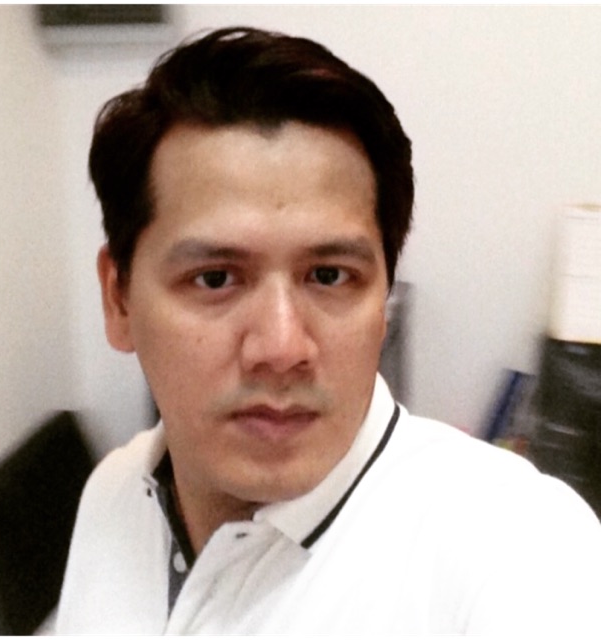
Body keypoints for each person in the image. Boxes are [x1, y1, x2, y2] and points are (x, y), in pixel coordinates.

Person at [56, 26, 601, 634]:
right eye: (214, 278)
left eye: (329, 275)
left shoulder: (522, 548)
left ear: (383, 301)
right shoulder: (114, 491)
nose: (282, 348)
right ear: (119, 299)